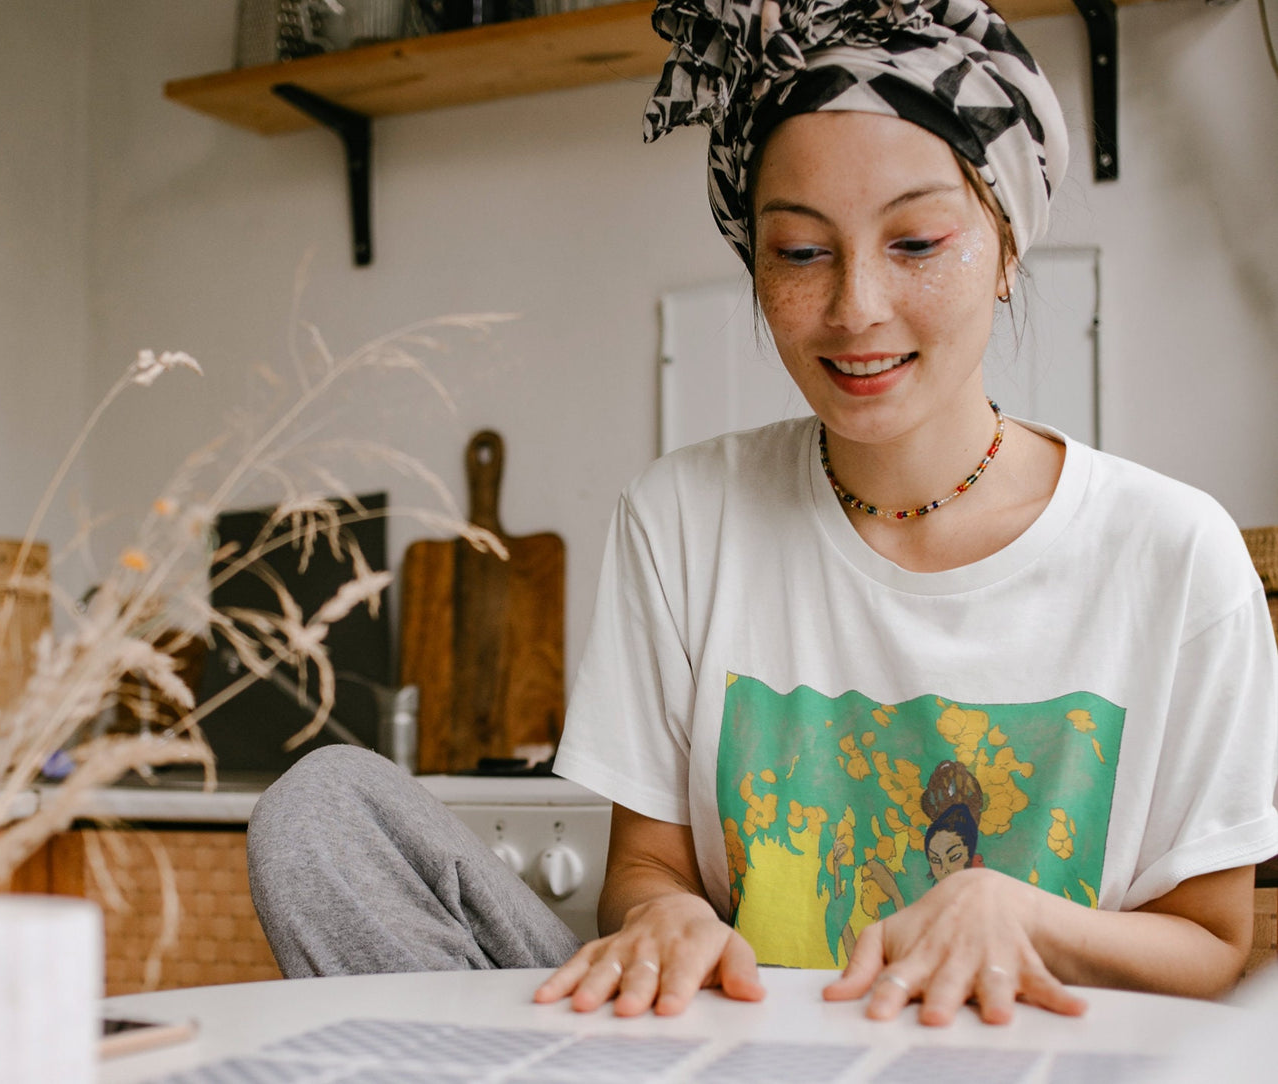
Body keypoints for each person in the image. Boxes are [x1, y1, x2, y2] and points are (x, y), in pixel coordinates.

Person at [247, 0, 1278, 1029]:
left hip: (1012, 1058)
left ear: (1006, 248)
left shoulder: (1172, 556)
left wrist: (1015, 913)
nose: (855, 306)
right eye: (797, 253)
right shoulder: (680, 517)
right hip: (716, 1054)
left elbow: (1212, 943)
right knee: (321, 811)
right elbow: (649, 868)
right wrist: (662, 918)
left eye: (915, 240)